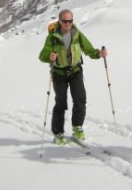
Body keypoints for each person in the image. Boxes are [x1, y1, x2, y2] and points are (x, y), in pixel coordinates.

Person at [38, 9, 107, 145]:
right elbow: (42, 56)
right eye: (65, 21)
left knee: (80, 99)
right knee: (61, 103)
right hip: (59, 74)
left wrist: (99, 54)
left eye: (70, 21)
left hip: (75, 71)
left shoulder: (77, 34)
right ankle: (58, 134)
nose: (68, 24)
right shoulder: (52, 37)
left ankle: (77, 127)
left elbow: (89, 50)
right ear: (59, 21)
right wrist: (49, 57)